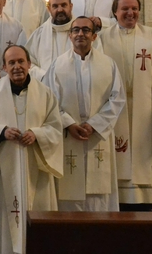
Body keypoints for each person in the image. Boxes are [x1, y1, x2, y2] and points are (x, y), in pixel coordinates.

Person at [0, 45, 63, 254]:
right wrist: (1, 132)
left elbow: (55, 127)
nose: (17, 67)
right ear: (3, 67)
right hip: (3, 168)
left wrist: (38, 134)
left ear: (29, 64)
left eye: (21, 61)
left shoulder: (45, 94)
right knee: (3, 216)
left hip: (35, 169)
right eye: (11, 63)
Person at [99, 0, 152, 205]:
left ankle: (147, 197)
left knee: (144, 147)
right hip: (114, 106)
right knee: (119, 148)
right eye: (125, 9)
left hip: (144, 103)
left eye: (134, 8)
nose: (130, 13)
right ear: (115, 12)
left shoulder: (151, 35)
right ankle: (119, 198)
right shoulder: (103, 37)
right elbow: (98, 70)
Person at [43, 16, 125, 211]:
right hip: (68, 135)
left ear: (94, 36)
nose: (81, 34)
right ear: (70, 36)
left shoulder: (109, 65)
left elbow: (117, 98)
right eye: (76, 30)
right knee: (69, 193)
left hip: (98, 135)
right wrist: (69, 124)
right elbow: (49, 100)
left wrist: (94, 124)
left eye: (86, 30)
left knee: (99, 194)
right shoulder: (57, 65)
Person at [25, 0, 76, 78]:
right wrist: (45, 77)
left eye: (64, 5)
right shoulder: (39, 35)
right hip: (46, 87)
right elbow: (28, 63)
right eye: (55, 6)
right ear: (49, 9)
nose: (60, 10)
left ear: (71, 7)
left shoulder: (83, 32)